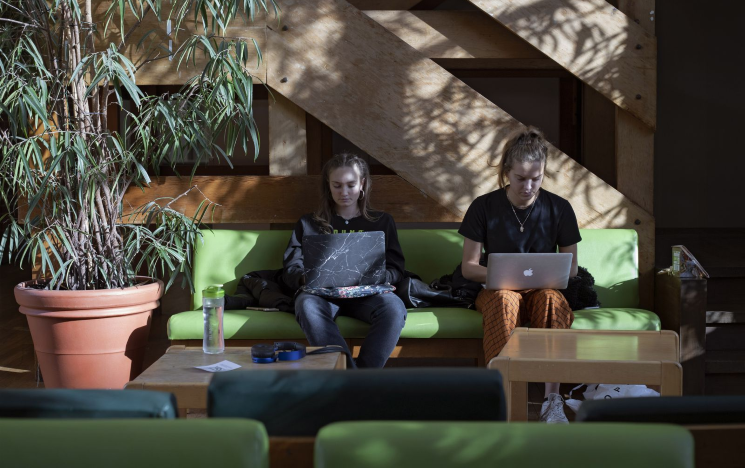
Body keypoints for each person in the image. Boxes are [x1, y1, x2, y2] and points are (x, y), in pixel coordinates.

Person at [459, 127, 581, 423]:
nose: (528, 186)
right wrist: (500, 275)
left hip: (543, 291)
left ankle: (552, 400)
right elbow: (469, 267)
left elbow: (572, 267)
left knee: (551, 298)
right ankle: (501, 396)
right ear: (506, 173)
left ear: (544, 173)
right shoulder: (484, 207)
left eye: (535, 179)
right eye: (520, 178)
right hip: (497, 290)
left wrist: (546, 276)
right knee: (503, 299)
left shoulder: (559, 208)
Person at [282, 153, 407, 368]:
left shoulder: (381, 221)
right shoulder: (309, 223)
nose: (344, 192)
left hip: (367, 296)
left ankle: (361, 380)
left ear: (363, 184)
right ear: (328, 186)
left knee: (394, 308)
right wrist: (309, 278)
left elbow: (397, 267)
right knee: (306, 304)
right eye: (337, 186)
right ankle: (348, 377)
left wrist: (378, 277)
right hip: (323, 297)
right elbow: (291, 268)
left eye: (351, 185)